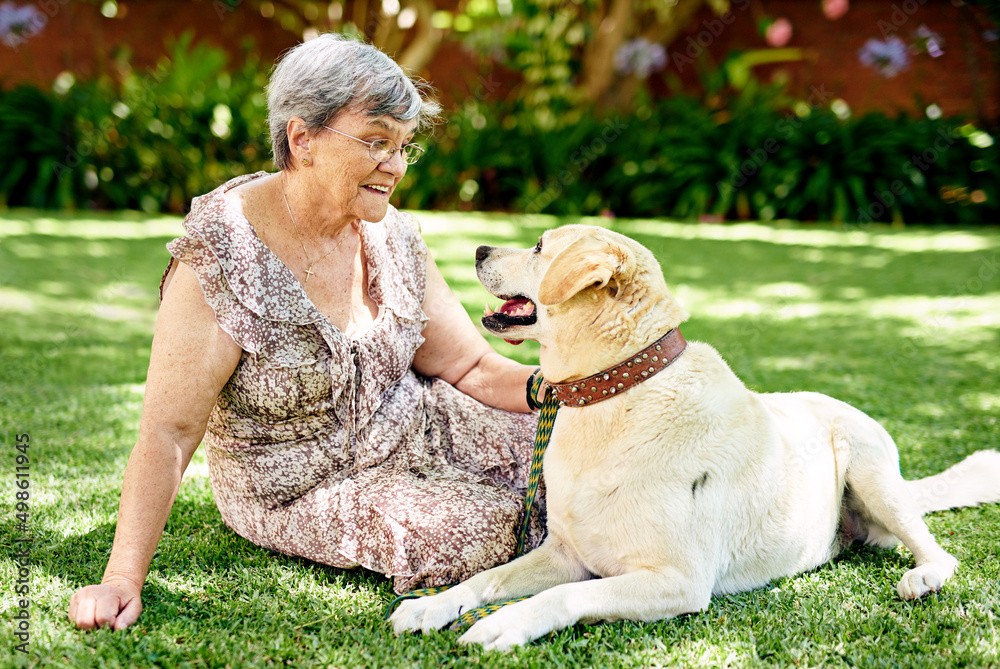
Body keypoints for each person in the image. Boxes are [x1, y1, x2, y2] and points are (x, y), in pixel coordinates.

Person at [68, 33, 544, 631]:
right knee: (486, 528)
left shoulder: (390, 233)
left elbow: (470, 367)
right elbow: (168, 432)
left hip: (423, 426)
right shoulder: (225, 253)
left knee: (569, 457)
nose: (394, 166)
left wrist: (565, 386)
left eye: (403, 147)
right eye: (376, 142)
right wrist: (120, 579)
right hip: (303, 483)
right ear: (303, 139)